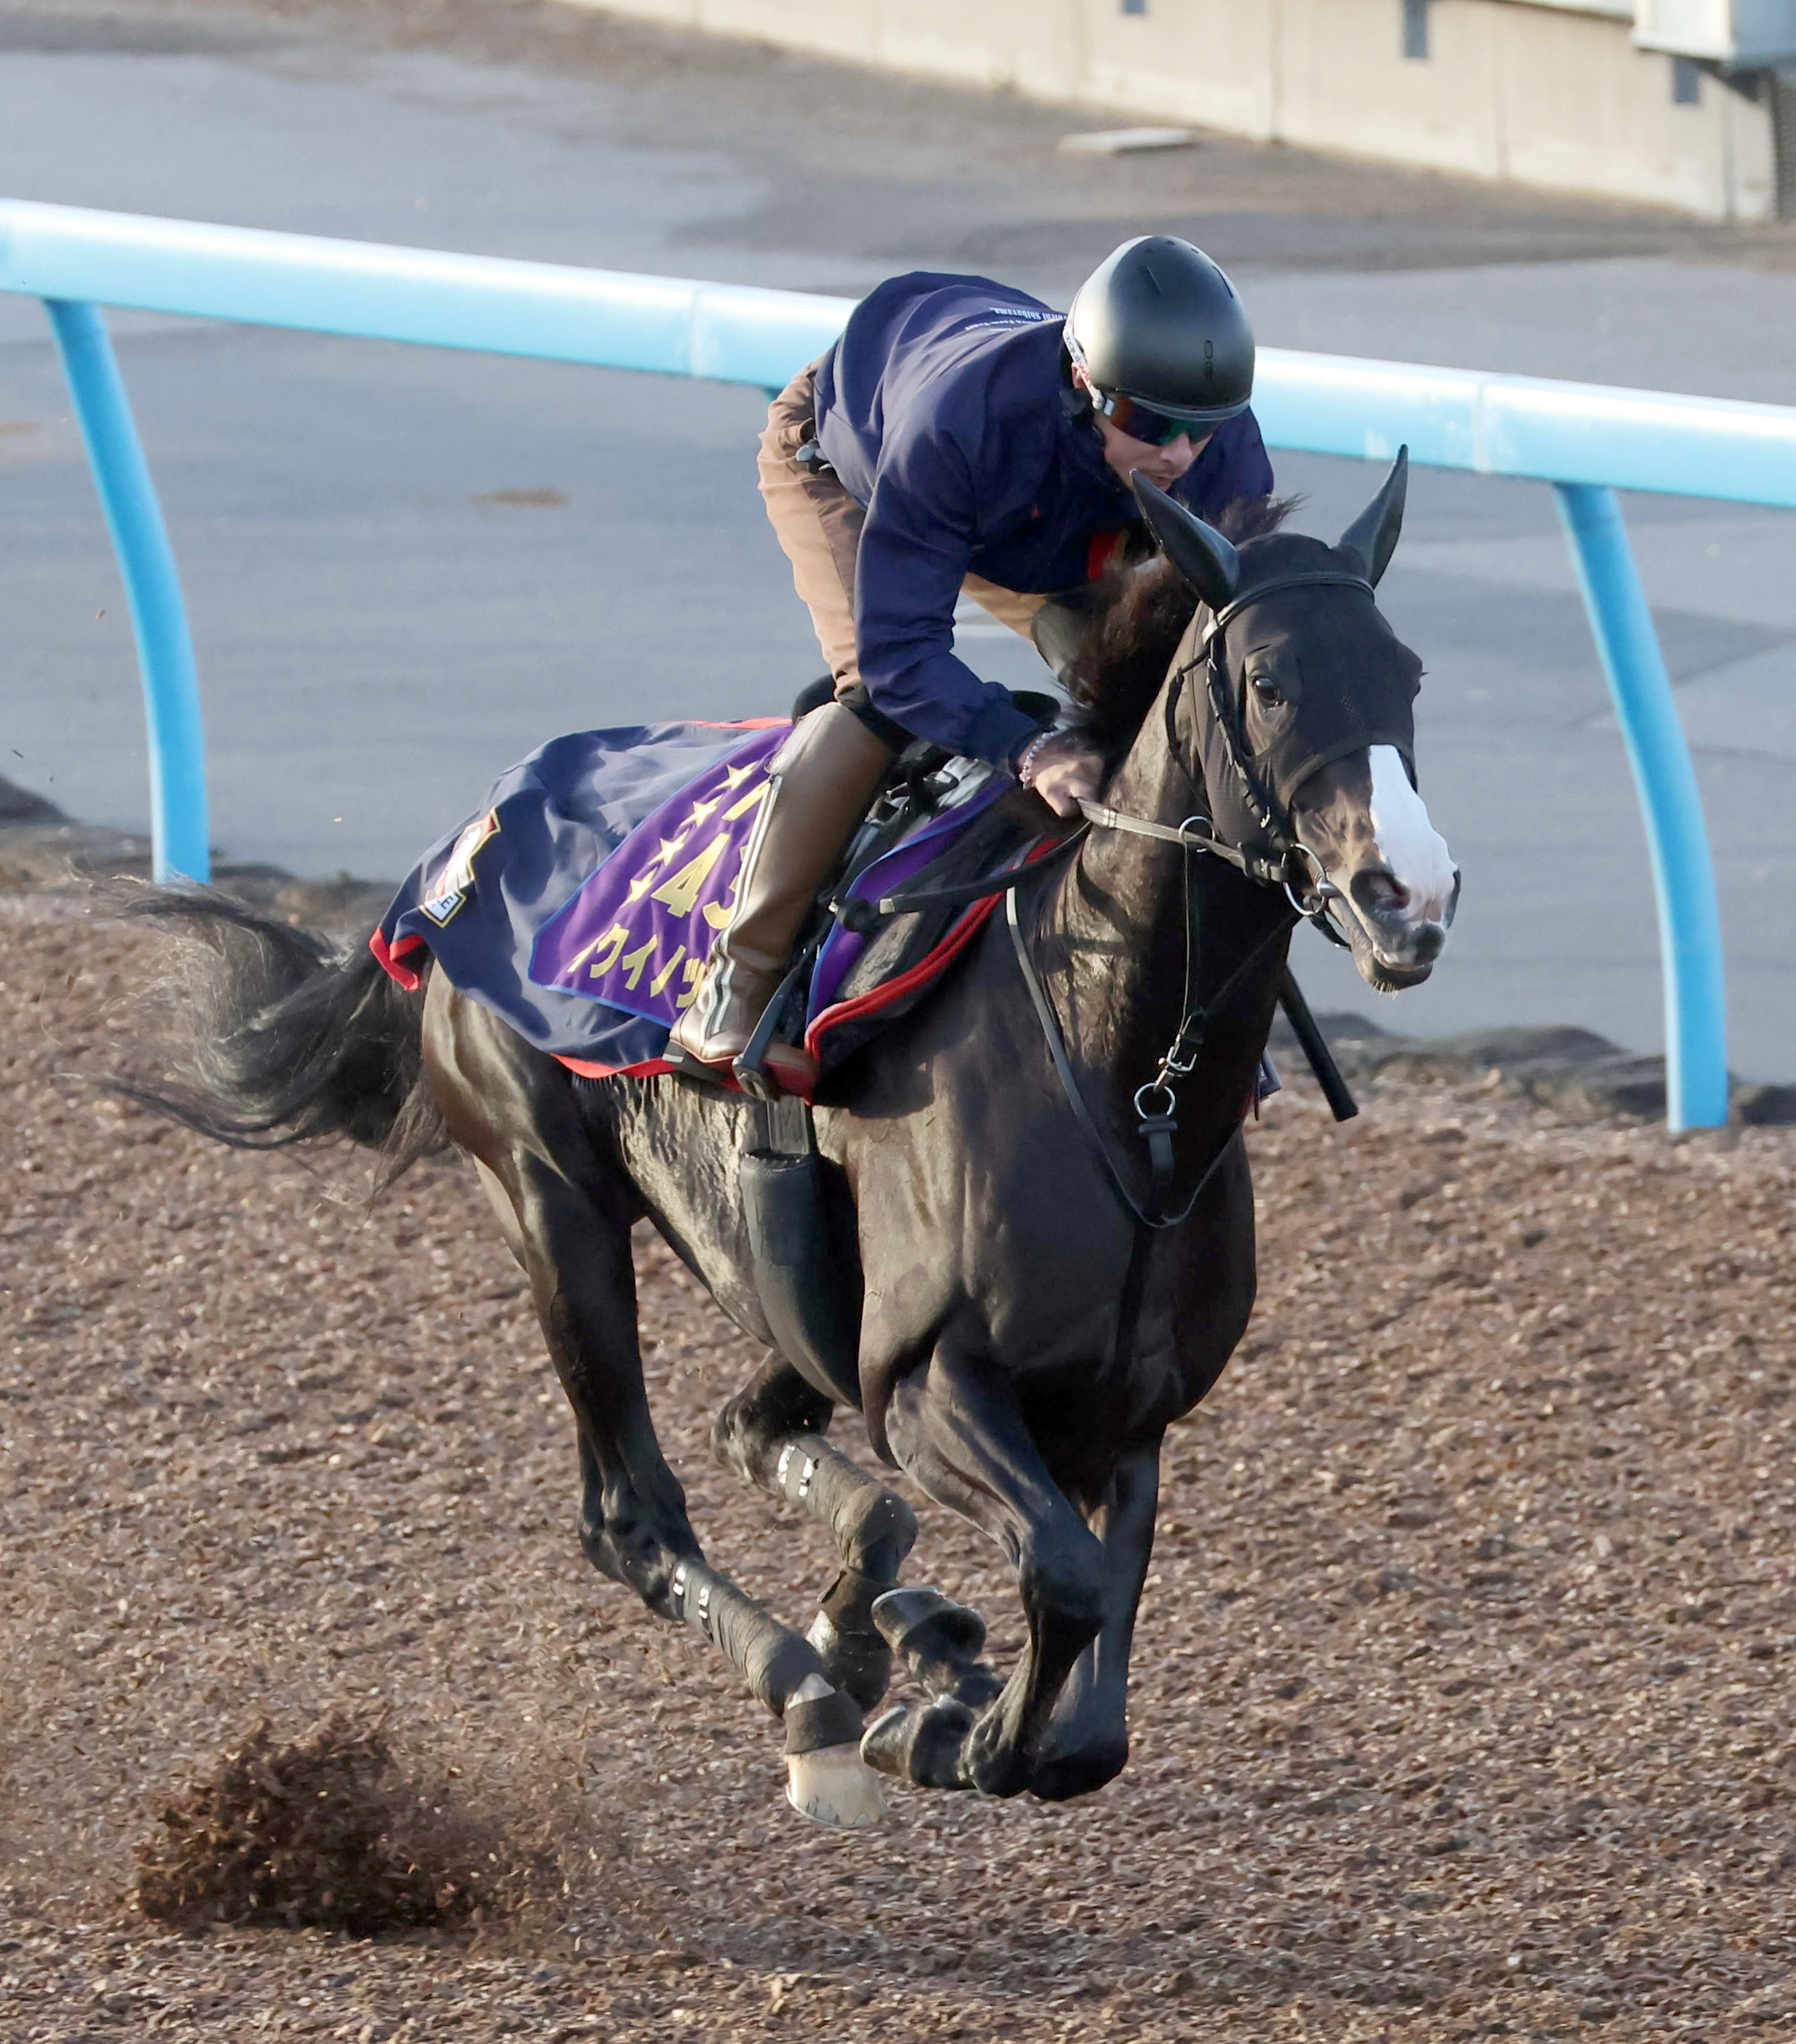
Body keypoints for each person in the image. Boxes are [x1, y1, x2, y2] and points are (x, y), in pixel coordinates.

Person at [668, 234, 1275, 1091]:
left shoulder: (1215, 445)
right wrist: (1029, 747)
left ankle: (1202, 989)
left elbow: (1239, 635)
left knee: (1173, 709)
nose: (1178, 455)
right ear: (1083, 383)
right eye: (1150, 426)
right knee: (875, 705)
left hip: (1045, 515)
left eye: (1200, 433)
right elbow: (901, 658)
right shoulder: (960, 422)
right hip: (862, 474)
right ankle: (737, 985)